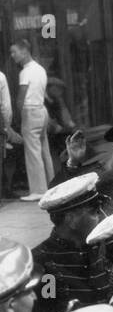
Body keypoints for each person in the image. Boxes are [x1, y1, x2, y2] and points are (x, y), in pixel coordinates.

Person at [31, 172, 110, 312]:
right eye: (94, 212)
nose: (103, 217)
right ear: (71, 219)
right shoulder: (42, 263)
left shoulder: (103, 247)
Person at [10, 39, 54, 200]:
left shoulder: (25, 72)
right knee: (44, 150)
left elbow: (21, 97)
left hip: (30, 111)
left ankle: (38, 190)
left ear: (24, 51)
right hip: (42, 110)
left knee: (32, 152)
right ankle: (51, 185)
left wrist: (18, 117)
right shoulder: (40, 69)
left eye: (14, 52)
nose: (13, 55)